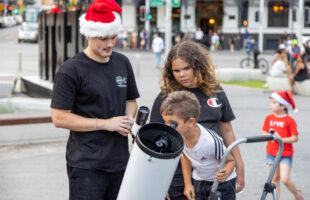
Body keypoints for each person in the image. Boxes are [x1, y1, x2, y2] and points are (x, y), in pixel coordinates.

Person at [50, 0, 140, 199]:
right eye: (103, 38)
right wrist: (105, 124)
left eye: (113, 37)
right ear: (88, 34)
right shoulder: (70, 70)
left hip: (120, 162)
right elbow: (59, 118)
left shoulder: (122, 62)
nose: (109, 44)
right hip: (86, 166)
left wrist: (127, 118)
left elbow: (131, 100)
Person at [150, 41, 244, 200]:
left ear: (198, 65)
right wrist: (158, 179)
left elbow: (227, 131)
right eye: (176, 70)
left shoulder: (215, 90)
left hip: (214, 168)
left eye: (186, 68)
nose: (182, 74)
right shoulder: (166, 96)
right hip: (179, 170)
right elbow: (156, 141)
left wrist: (239, 166)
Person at [160, 91, 237, 200]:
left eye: (172, 123)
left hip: (222, 184)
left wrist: (225, 172)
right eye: (165, 122)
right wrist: (188, 184)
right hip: (199, 180)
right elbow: (185, 156)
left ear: (191, 122)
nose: (168, 127)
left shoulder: (211, 142)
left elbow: (231, 161)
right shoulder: (179, 136)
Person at [262, 91, 303, 200]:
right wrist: (269, 137)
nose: (271, 105)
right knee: (275, 178)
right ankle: (276, 198)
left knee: (285, 179)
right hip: (271, 153)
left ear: (283, 105)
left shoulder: (289, 120)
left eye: (274, 102)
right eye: (271, 102)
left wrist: (280, 139)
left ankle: (297, 195)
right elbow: (264, 132)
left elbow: (295, 138)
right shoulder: (269, 118)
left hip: (285, 154)